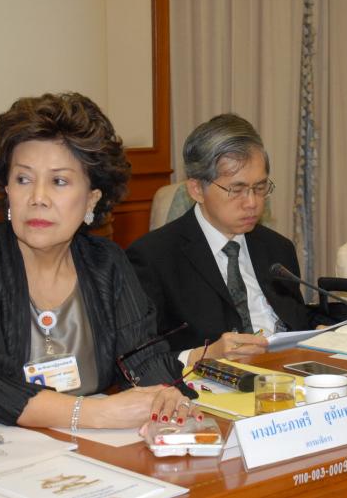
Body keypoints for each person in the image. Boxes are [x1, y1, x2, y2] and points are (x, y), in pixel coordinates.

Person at [0, 92, 200, 429]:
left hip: (81, 445)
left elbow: (143, 358)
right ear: (7, 191)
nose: (38, 198)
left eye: (59, 181)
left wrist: (166, 395)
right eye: (23, 179)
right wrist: (96, 414)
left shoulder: (106, 263)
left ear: (92, 199)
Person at [127, 114, 318, 367]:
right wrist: (204, 355)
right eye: (236, 190)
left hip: (287, 375)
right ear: (197, 189)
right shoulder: (152, 258)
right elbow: (139, 359)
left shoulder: (278, 249)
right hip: (207, 384)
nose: (252, 202)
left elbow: (297, 323)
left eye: (260, 188)